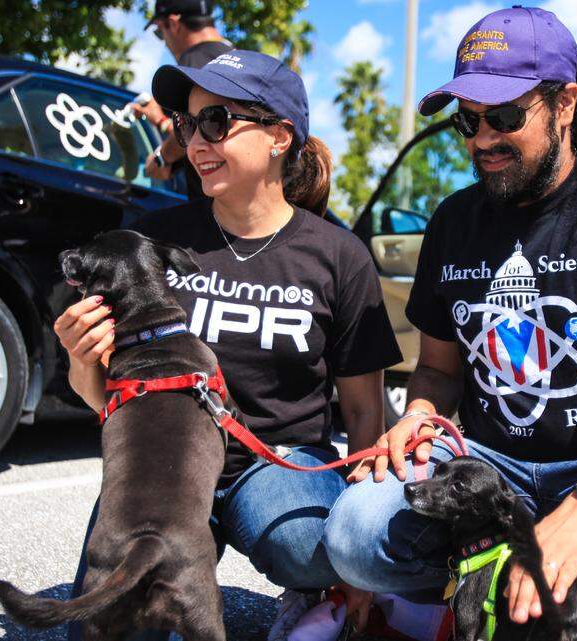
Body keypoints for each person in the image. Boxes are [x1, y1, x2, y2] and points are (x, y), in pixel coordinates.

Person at [324, 6, 577, 641]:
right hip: (491, 463)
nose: (483, 139)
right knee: (353, 536)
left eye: (506, 116)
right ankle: (495, 587)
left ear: (565, 102)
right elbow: (436, 369)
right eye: (468, 120)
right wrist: (419, 416)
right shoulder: (454, 221)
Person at [55, 50, 400, 641]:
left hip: (276, 462)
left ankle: (311, 587)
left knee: (313, 545)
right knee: (104, 629)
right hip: (164, 465)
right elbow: (106, 397)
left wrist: (356, 559)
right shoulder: (153, 243)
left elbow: (365, 409)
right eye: (187, 124)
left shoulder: (339, 255)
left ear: (279, 137)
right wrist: (80, 361)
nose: (195, 142)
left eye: (216, 121)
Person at [131, 0, 233, 197]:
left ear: (173, 23)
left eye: (160, 32)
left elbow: (201, 131)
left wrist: (161, 158)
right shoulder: (239, 59)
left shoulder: (192, 64)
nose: (165, 42)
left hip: (215, 212)